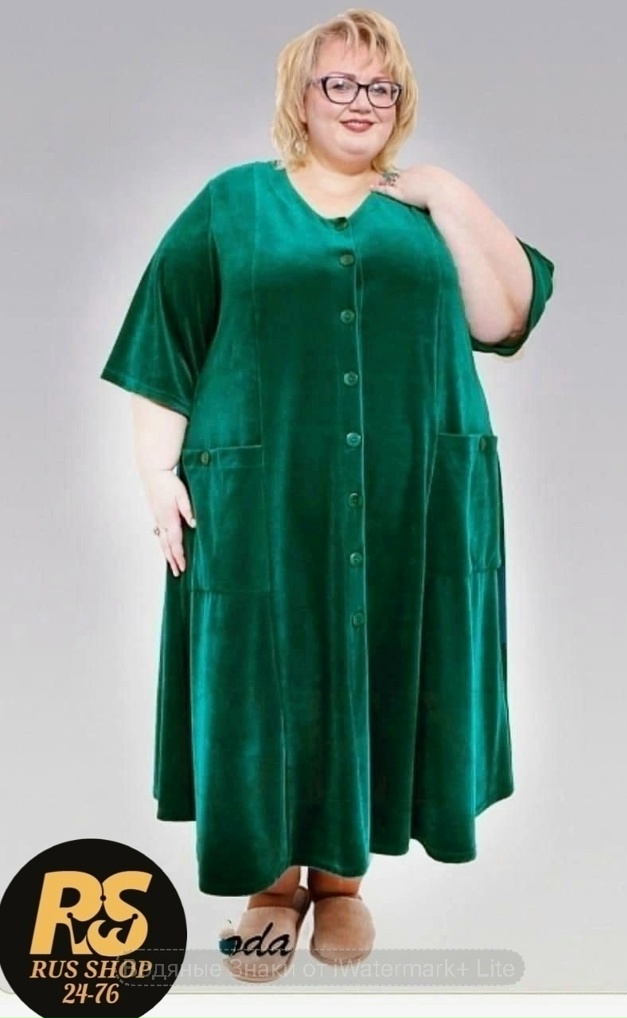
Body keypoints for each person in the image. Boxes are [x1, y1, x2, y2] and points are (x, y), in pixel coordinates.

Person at [99, 7, 555, 982]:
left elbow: (505, 315)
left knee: (383, 655)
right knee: (265, 674)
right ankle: (273, 886)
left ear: (401, 101)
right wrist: (155, 474)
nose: (359, 101)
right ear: (299, 97)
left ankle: (341, 883)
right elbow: (164, 337)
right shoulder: (231, 203)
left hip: (406, 499)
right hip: (262, 496)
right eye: (338, 83)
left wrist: (449, 191)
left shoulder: (423, 215)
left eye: (380, 86)